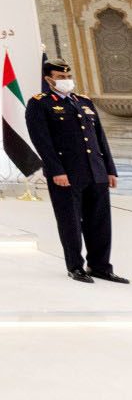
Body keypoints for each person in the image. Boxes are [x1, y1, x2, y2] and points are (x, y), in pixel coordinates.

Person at [26, 61, 125, 283]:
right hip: (66, 174)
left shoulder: (84, 102)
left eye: (67, 75)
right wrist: (56, 171)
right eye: (60, 76)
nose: (66, 79)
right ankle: (75, 266)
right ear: (48, 79)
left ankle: (100, 266)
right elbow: (42, 142)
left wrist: (110, 169)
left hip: (96, 171)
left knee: (100, 221)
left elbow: (100, 138)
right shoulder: (39, 104)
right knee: (70, 221)